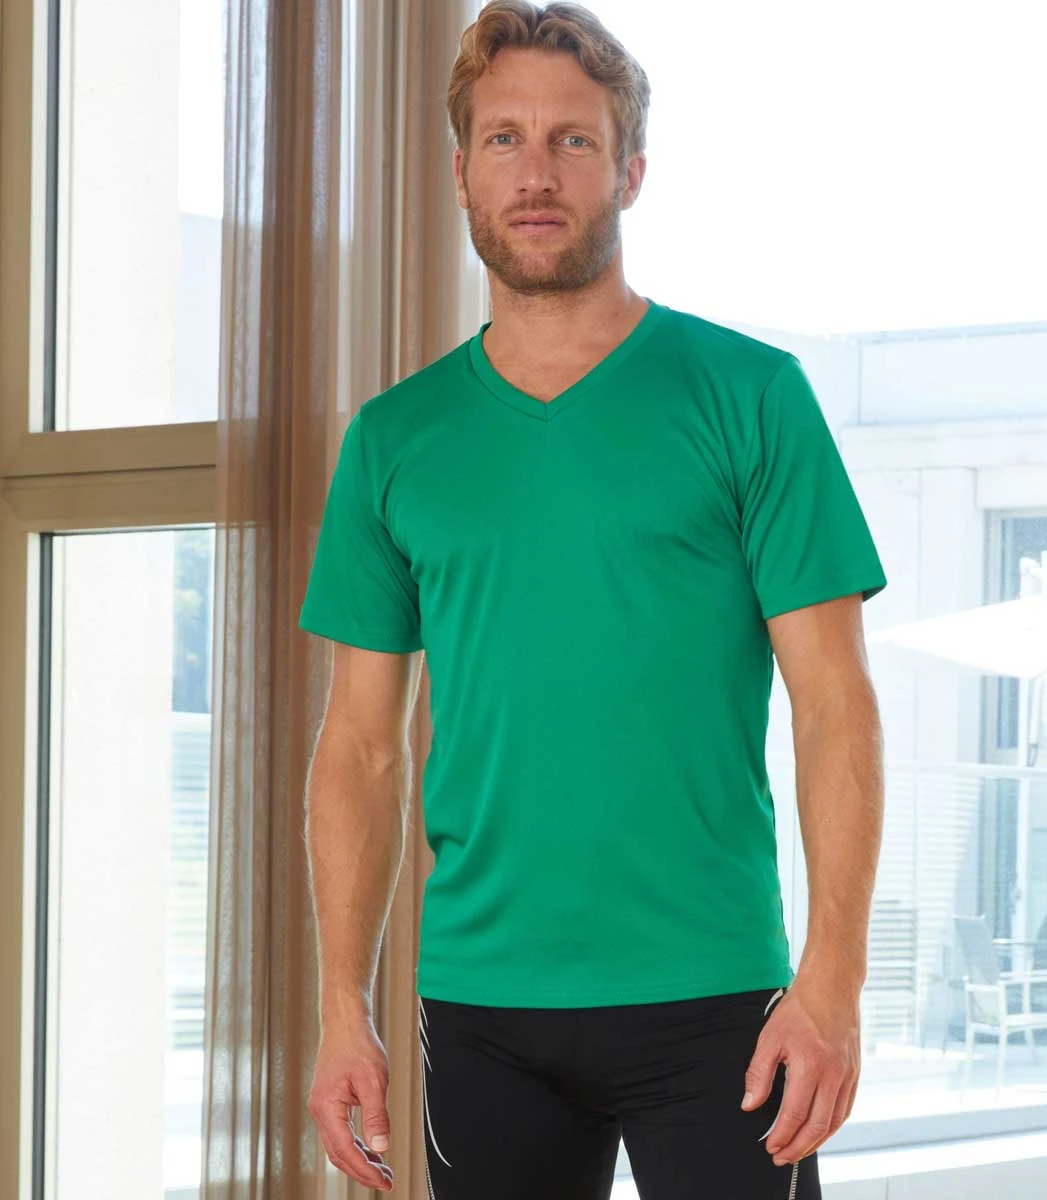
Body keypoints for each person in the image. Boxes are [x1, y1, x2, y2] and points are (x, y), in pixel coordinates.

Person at [299, 2, 887, 1196]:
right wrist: (340, 1008)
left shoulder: (752, 397)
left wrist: (833, 981)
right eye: (504, 138)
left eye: (573, 139)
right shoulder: (393, 440)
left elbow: (835, 702)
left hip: (719, 998)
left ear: (630, 170)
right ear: (460, 173)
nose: (537, 172)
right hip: (484, 1009)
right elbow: (360, 746)